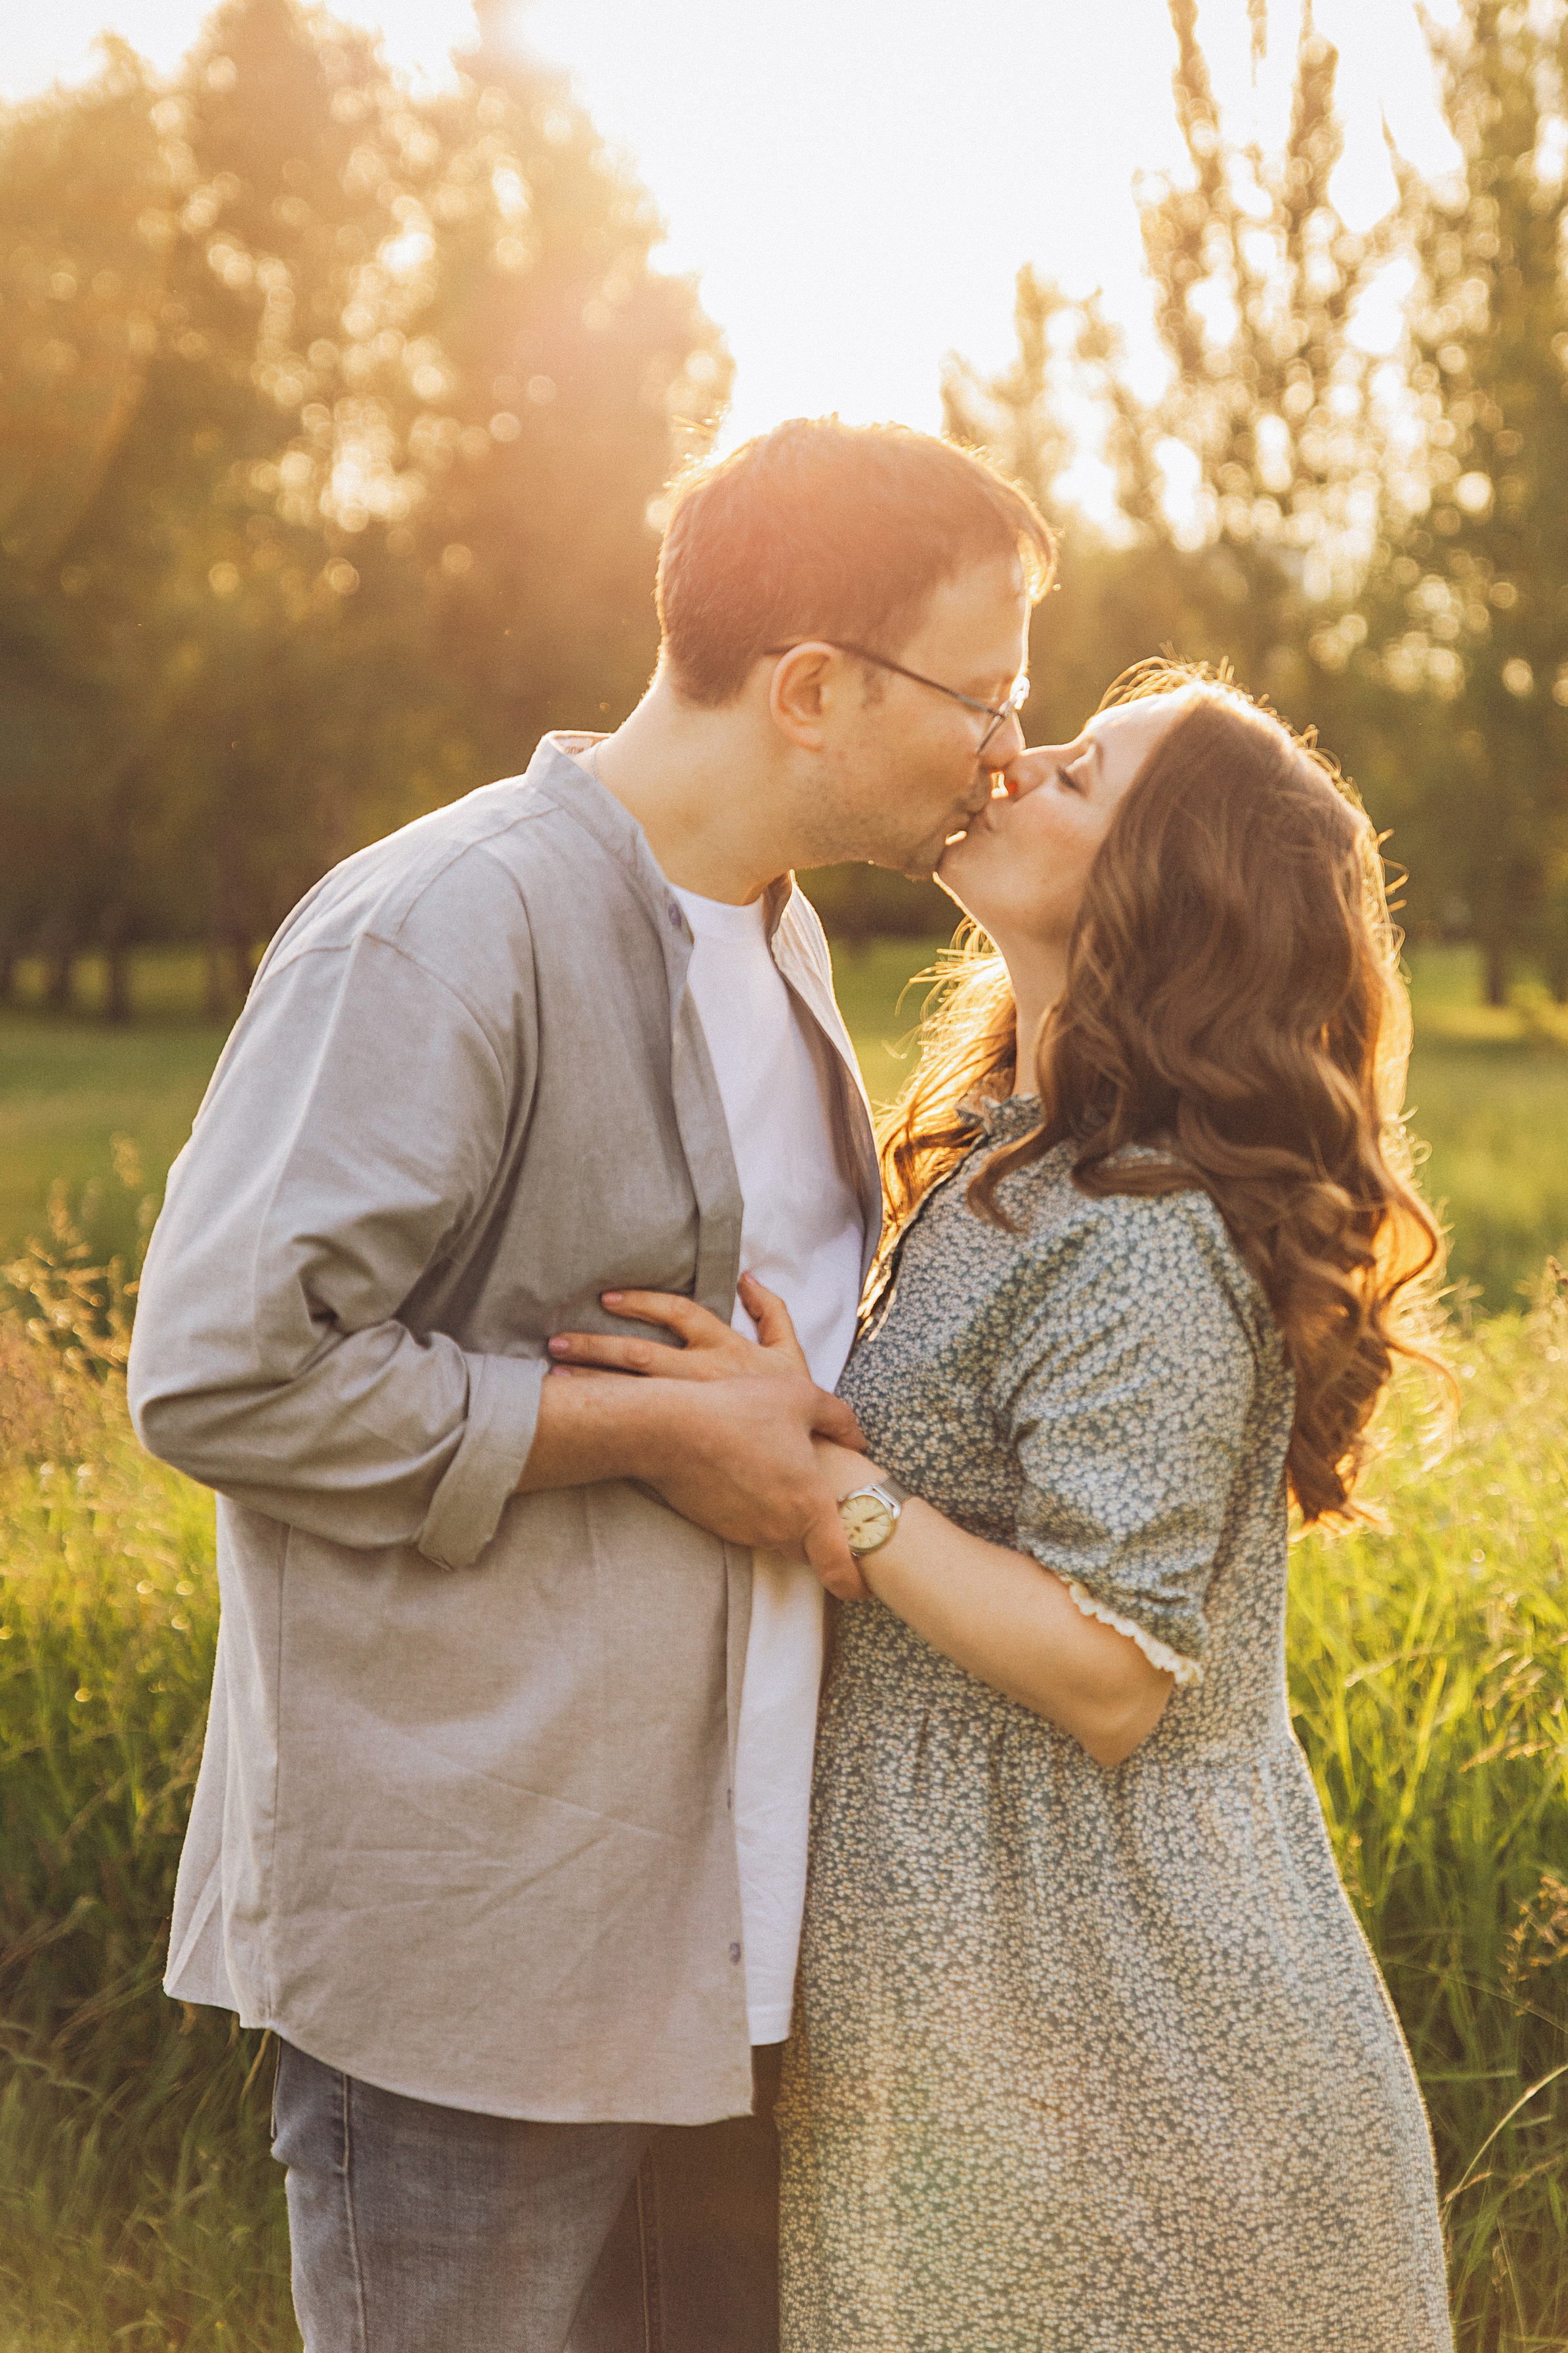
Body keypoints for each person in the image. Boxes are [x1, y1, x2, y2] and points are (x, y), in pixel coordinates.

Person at [124, 416, 1054, 2353]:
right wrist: (646, 1427)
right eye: (988, 690)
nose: (1006, 747)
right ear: (810, 685)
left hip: (731, 1947)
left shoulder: (783, 939)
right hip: (478, 1951)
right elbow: (224, 1372)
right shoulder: (444, 927)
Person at [553, 661, 1454, 2350]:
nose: (1016, 761)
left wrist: (833, 1489)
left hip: (1113, 1997)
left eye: (1080, 772)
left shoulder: (1146, 1225)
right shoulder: (1009, 1150)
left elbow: (1112, 1668)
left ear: (1162, 891)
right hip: (973, 1976)